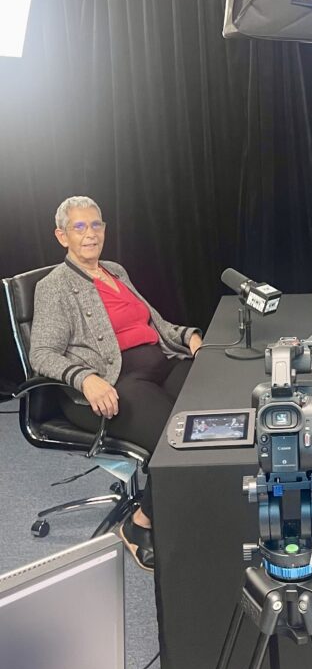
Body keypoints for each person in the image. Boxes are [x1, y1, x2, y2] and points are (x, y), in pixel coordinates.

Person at [29, 196, 203, 570]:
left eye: (96, 225)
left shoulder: (116, 271)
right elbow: (41, 354)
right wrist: (86, 378)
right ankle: (140, 524)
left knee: (213, 409)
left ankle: (185, 505)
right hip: (109, 386)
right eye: (79, 227)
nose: (90, 234)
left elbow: (154, 323)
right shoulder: (54, 287)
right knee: (179, 439)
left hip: (160, 366)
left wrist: (189, 337)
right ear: (62, 236)